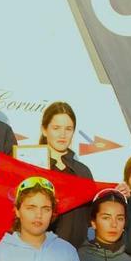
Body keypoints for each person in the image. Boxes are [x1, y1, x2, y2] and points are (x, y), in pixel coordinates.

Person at [41, 102, 96, 248]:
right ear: (44, 130)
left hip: (78, 256)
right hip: (41, 254)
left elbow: (93, 215)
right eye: (56, 128)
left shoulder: (83, 172)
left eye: (68, 129)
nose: (62, 135)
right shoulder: (32, 167)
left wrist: (115, 194)